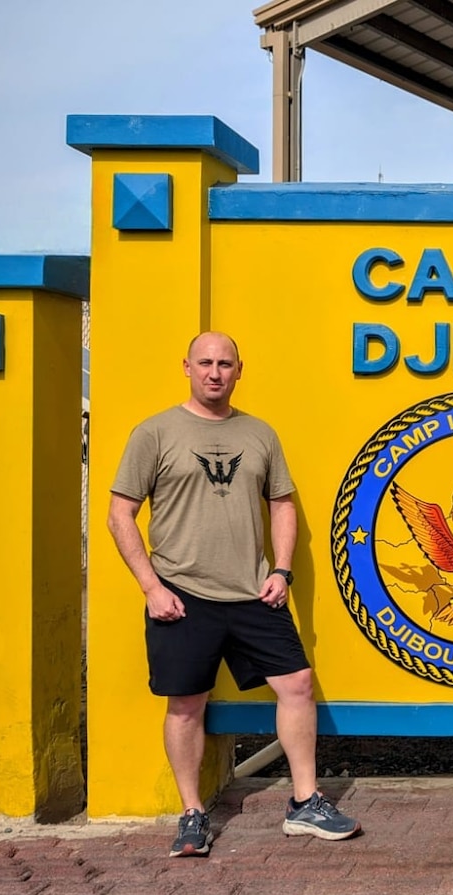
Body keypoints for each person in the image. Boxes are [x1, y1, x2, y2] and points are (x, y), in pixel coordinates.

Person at [108, 331, 360, 857]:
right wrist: (152, 587)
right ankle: (193, 813)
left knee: (297, 682)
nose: (215, 372)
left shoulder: (260, 434)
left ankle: (305, 802)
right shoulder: (154, 433)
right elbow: (119, 515)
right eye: (205, 362)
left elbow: (283, 505)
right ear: (187, 367)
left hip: (252, 592)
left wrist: (283, 571)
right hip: (180, 592)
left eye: (225, 363)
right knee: (185, 705)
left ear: (240, 370)